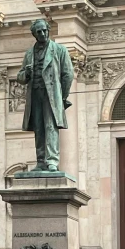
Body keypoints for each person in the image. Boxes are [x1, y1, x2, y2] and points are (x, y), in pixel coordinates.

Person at [16, 19, 74, 172]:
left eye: (44, 30)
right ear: (34, 34)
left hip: (52, 95)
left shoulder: (60, 50)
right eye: (38, 32)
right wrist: (26, 73)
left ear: (48, 30)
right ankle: (41, 161)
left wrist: (62, 97)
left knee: (50, 126)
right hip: (35, 94)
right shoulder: (29, 53)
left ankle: (52, 161)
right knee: (39, 128)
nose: (42, 33)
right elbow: (20, 77)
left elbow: (68, 74)